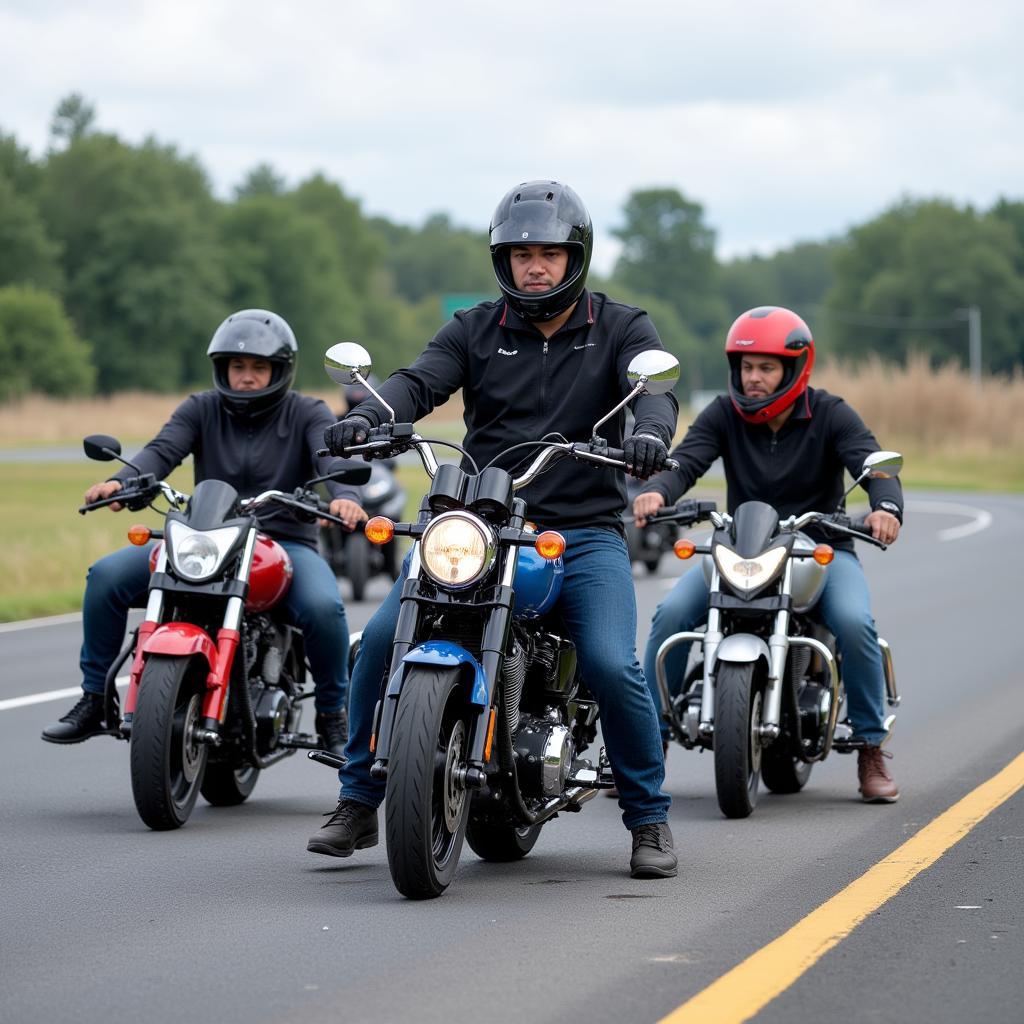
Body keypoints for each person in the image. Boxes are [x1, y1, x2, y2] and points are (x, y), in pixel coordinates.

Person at [307, 180, 680, 878]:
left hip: (579, 532)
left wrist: (650, 437)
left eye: (548, 254)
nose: (533, 268)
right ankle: (359, 801)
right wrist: (371, 413)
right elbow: (420, 381)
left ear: (576, 257)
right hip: (477, 523)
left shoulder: (623, 326)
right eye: (519, 255)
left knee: (609, 661)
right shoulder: (475, 328)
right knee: (383, 640)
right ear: (500, 261)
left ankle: (648, 819)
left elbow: (655, 400)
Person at [41, 309, 367, 758]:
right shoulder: (201, 408)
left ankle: (333, 715)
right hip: (206, 537)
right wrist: (123, 483)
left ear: (280, 370)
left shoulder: (306, 411)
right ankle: (95, 699)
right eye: (238, 366)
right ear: (223, 368)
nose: (247, 377)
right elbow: (162, 451)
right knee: (105, 577)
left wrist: (344, 495)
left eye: (258, 368)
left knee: (324, 607)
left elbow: (330, 458)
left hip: (283, 541)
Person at [634, 305, 902, 802]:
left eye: (766, 367)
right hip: (743, 546)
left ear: (795, 369)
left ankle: (869, 746)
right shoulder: (722, 414)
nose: (753, 379)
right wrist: (659, 491)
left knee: (854, 621)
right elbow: (687, 461)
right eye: (746, 367)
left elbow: (874, 466)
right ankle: (650, 746)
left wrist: (885, 507)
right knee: (670, 614)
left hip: (820, 547)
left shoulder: (831, 414)